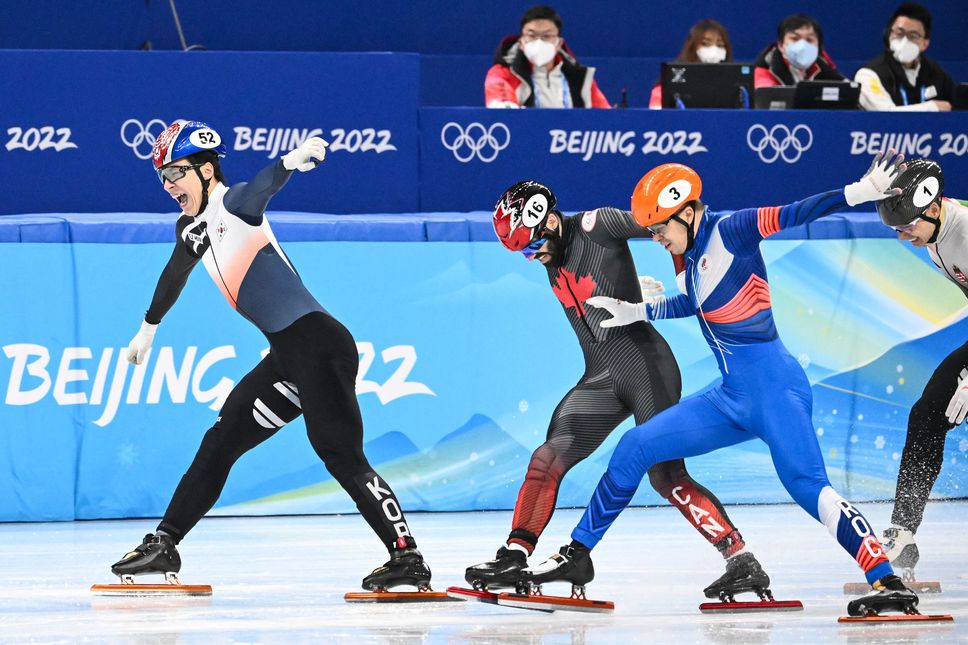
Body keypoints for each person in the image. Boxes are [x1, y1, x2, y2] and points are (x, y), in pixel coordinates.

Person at [525, 154, 921, 618]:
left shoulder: (733, 230)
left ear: (688, 212)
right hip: (732, 395)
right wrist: (639, 311)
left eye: (660, 229)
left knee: (808, 486)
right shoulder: (689, 256)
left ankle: (887, 581)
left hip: (775, 390)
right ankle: (577, 556)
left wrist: (859, 192)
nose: (655, 238)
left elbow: (795, 212)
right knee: (635, 446)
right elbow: (697, 303)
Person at [110, 119, 430, 593]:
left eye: (175, 173)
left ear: (204, 169)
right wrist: (147, 327)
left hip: (319, 346)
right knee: (221, 440)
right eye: (162, 177)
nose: (169, 185)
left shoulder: (232, 203)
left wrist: (287, 163)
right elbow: (174, 273)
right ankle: (164, 542)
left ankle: (408, 558)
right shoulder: (192, 228)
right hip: (287, 355)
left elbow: (260, 187)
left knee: (340, 454)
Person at [465, 180, 773, 602]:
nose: (529, 256)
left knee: (666, 476)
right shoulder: (548, 251)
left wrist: (684, 280)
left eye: (531, 245)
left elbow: (672, 228)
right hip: (601, 378)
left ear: (551, 220)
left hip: (647, 368)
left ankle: (742, 560)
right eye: (519, 251)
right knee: (545, 458)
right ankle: (514, 554)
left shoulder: (599, 224)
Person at [875, 159, 965, 576]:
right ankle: (903, 532)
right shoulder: (932, 236)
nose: (901, 235)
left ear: (933, 208)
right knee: (928, 413)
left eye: (907, 225)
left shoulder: (964, 231)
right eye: (895, 229)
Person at [484, 4, 609, 109]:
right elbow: (501, 111)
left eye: (547, 36)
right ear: (521, 42)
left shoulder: (581, 78)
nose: (539, 42)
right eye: (531, 35)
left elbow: (605, 118)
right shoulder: (503, 74)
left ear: (559, 43)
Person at [854, 3, 954, 112]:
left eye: (913, 36)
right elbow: (885, 114)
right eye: (899, 33)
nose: (904, 41)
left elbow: (958, 108)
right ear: (889, 34)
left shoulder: (936, 73)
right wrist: (933, 107)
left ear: (925, 44)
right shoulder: (868, 75)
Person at [649, 19, 735, 109]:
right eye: (705, 44)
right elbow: (656, 115)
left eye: (720, 45)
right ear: (692, 47)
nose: (714, 49)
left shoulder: (737, 85)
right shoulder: (666, 85)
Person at [753, 14, 845, 88]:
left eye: (809, 40)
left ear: (818, 47)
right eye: (795, 39)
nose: (802, 45)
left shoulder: (828, 72)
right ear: (781, 46)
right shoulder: (764, 73)